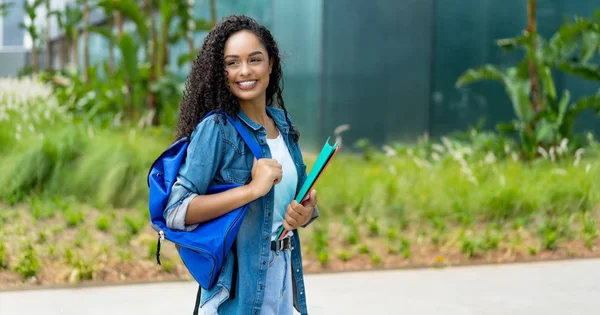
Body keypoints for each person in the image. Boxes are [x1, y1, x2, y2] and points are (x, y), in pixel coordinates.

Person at [164, 15, 320, 315]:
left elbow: (289, 206)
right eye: (232, 62)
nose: (244, 71)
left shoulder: (283, 124)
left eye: (255, 59)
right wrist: (251, 190)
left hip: (283, 277)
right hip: (237, 292)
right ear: (220, 71)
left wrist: (306, 211)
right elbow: (176, 211)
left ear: (271, 64)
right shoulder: (218, 129)